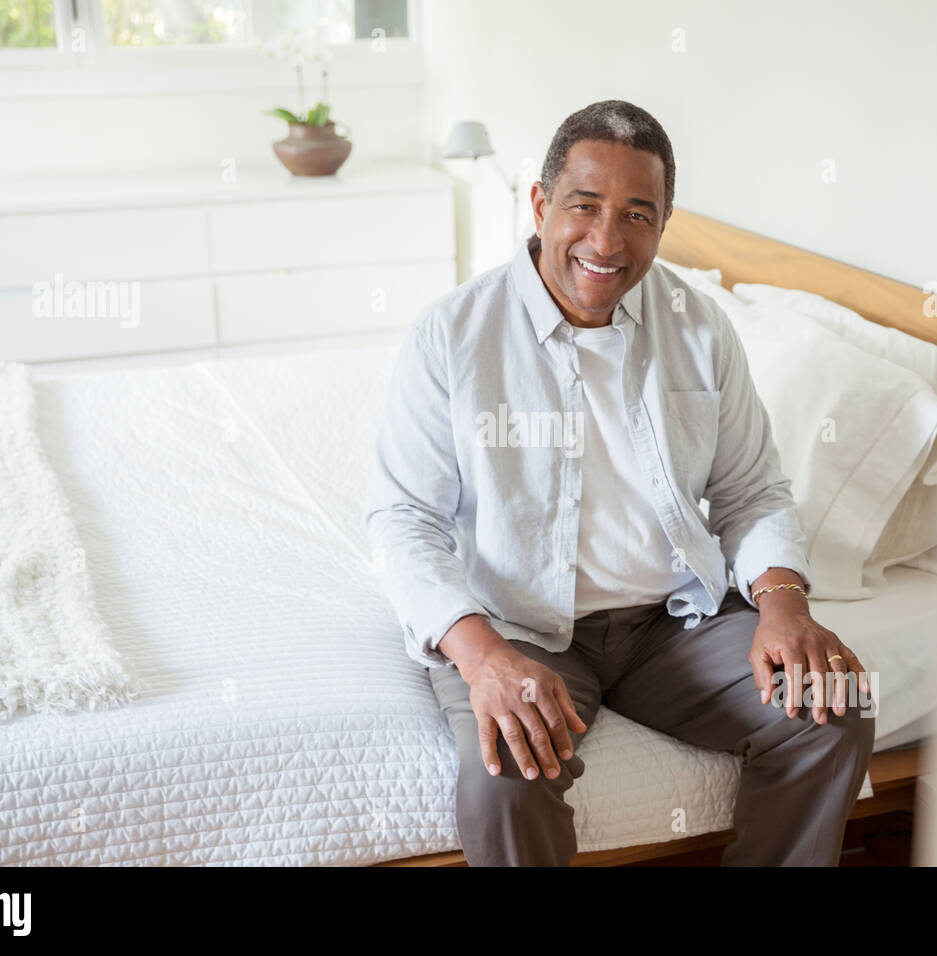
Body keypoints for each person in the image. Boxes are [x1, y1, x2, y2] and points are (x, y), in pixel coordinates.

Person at [364, 99, 874, 866]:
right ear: (540, 205)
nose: (606, 241)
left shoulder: (700, 328)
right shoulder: (453, 335)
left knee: (833, 711)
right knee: (505, 777)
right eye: (584, 206)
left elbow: (750, 490)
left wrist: (783, 603)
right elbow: (403, 520)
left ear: (665, 224)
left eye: (638, 215)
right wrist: (482, 658)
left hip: (673, 625)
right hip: (519, 625)